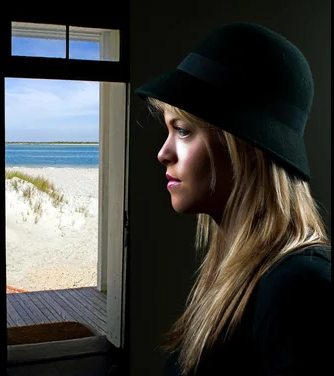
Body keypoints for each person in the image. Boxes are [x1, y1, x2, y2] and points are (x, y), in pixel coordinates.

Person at [134, 22, 332, 375]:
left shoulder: (301, 290)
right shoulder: (239, 270)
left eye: (182, 130)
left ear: (245, 148)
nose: (164, 153)